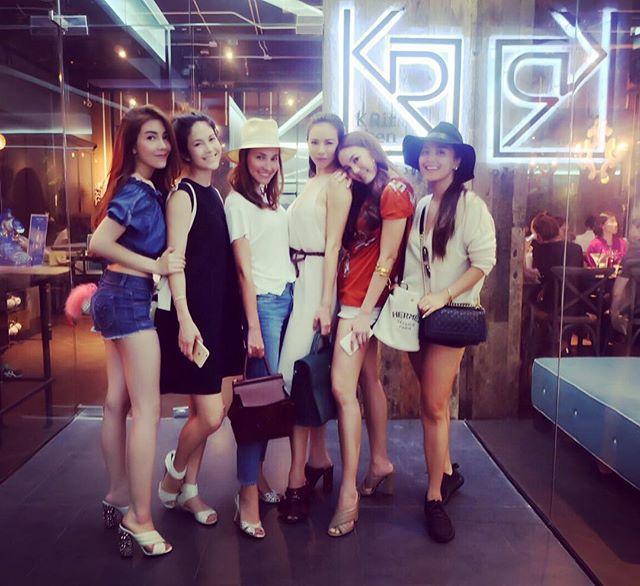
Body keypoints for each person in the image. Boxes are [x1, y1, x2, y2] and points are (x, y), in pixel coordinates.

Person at [89, 105, 184, 557]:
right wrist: (155, 266)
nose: (162, 145)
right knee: (146, 412)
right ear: (131, 145)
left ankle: (117, 496)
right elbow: (99, 242)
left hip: (112, 295)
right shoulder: (137, 192)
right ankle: (139, 518)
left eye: (164, 136)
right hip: (128, 298)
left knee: (116, 403)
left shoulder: (137, 188)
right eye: (151, 137)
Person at [401, 122, 496, 543]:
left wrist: (444, 294)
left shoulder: (471, 206)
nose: (431, 158)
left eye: (441, 152)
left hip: (450, 314)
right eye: (426, 151)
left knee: (433, 405)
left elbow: (484, 262)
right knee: (431, 400)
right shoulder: (423, 205)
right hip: (417, 313)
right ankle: (446, 471)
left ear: (457, 161)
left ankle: (434, 496)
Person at [155, 112, 244, 525]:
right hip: (195, 319)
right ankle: (173, 475)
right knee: (209, 415)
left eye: (213, 139)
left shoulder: (216, 195)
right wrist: (185, 319)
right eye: (199, 143)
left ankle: (190, 491)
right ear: (185, 153)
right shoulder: (183, 196)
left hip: (220, 318)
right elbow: (175, 263)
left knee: (209, 411)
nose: (210, 148)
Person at [327, 131, 414, 537]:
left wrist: (364, 313)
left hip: (361, 303)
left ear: (373, 152)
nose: (355, 169)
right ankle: (380, 462)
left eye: (358, 159)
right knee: (367, 378)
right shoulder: (371, 192)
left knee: (342, 389)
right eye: (348, 164)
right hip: (356, 298)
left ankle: (348, 492)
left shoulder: (394, 190)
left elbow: (389, 256)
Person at [224, 118, 297, 539]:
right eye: (259, 157)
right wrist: (252, 325)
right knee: (257, 400)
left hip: (288, 298)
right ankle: (246, 494)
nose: (268, 165)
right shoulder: (237, 203)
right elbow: (243, 271)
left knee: (272, 397)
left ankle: (259, 476)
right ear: (244, 159)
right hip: (264, 305)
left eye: (273, 158)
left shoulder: (271, 201)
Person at [277, 113, 351, 523]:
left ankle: (296, 479)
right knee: (306, 376)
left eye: (328, 142)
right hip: (300, 279)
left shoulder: (338, 184)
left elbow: (334, 244)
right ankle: (318, 459)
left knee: (297, 376)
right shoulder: (312, 180)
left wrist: (325, 303)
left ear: (340, 145)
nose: (321, 149)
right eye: (314, 142)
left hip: (319, 282)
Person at [531, 212, 584, 313]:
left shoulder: (541, 250)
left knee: (527, 303)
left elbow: (540, 276)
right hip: (577, 306)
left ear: (538, 236)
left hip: (552, 307)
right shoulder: (577, 249)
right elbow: (581, 274)